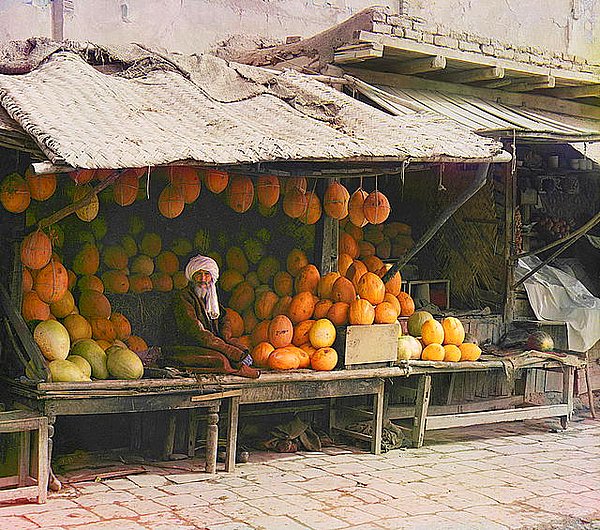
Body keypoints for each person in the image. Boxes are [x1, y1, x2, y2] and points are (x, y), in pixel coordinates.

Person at [165, 254, 259, 378]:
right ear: (192, 276)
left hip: (210, 343)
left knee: (240, 350)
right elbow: (196, 332)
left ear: (212, 277)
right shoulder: (183, 297)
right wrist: (228, 349)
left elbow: (224, 319)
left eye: (207, 274)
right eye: (199, 274)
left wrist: (226, 339)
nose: (203, 279)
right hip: (187, 346)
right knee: (221, 359)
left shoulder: (211, 298)